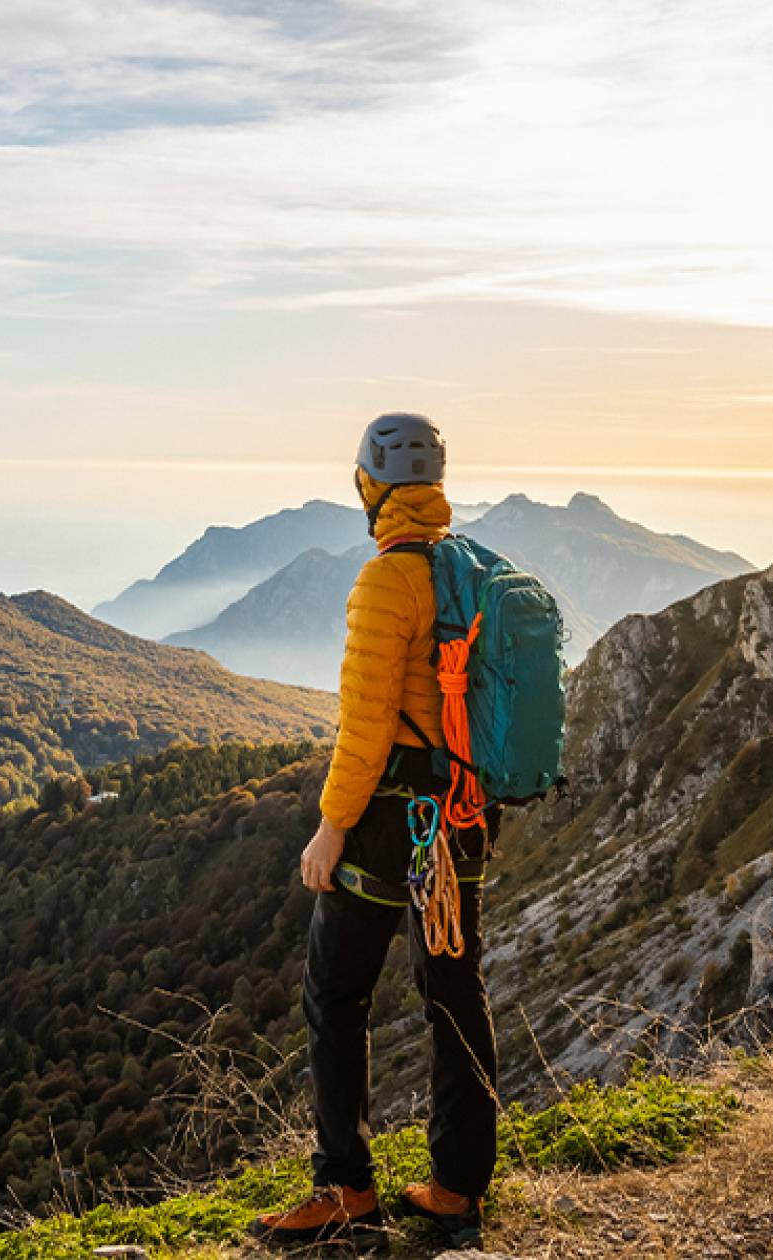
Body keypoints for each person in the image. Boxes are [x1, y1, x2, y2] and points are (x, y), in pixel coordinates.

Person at [249, 412, 499, 1249]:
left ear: (370, 485)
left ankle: (346, 1187)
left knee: (336, 991)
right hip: (464, 811)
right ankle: (457, 1188)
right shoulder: (469, 566)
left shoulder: (387, 580)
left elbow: (363, 730)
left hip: (394, 816)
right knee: (454, 995)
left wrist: (328, 831)